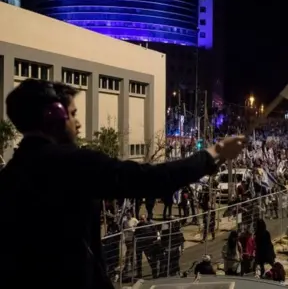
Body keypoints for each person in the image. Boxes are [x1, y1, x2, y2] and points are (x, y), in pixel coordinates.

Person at [0, 79, 246, 289]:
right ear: (54, 116)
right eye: (73, 114)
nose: (78, 124)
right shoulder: (72, 163)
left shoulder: (10, 174)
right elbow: (149, 179)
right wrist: (216, 153)